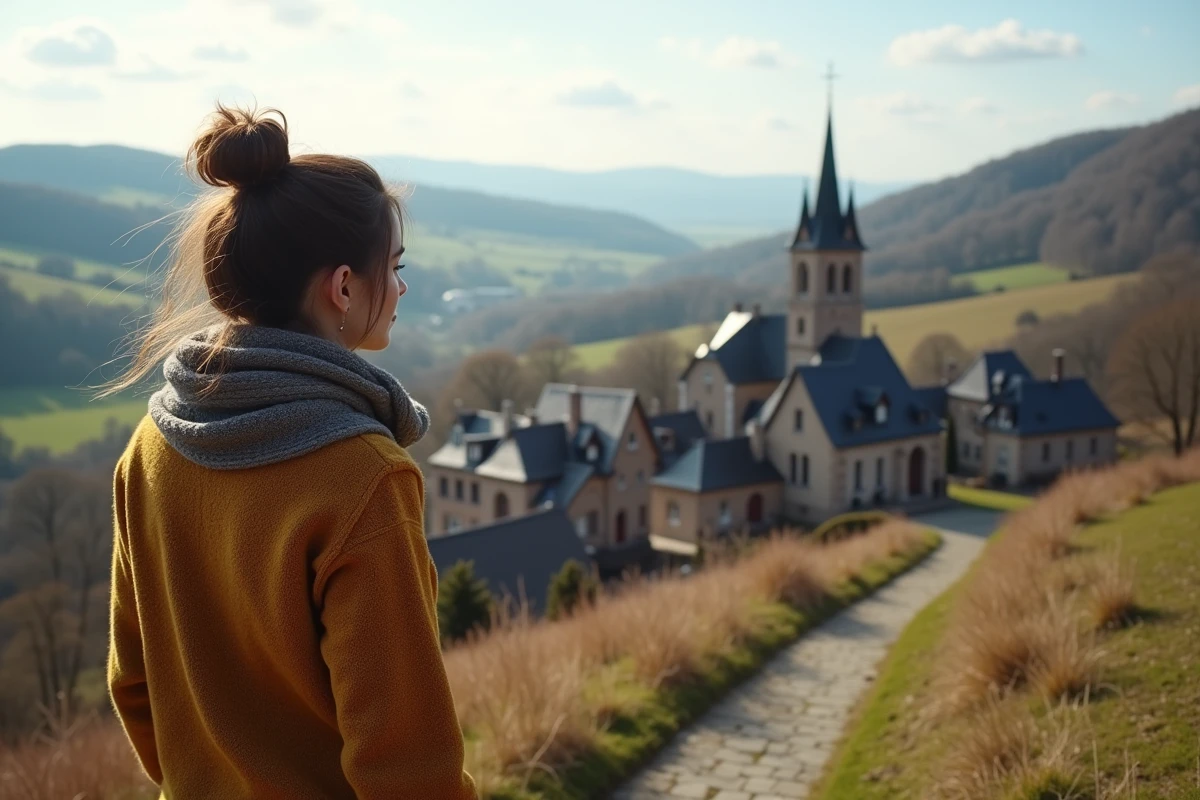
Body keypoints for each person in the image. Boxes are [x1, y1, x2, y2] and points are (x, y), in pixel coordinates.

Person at [102, 105, 477, 799]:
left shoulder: (147, 449)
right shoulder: (363, 477)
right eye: (391, 268)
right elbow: (407, 763)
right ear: (341, 287)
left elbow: (133, 685)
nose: (399, 289)